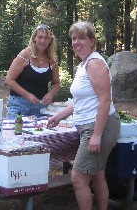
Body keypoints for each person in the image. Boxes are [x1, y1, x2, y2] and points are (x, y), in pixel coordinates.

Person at [48, 21, 120, 210]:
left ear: (92, 41)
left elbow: (105, 100)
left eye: (81, 38)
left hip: (98, 128)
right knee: (97, 175)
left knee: (78, 178)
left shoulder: (95, 63)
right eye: (73, 38)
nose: (76, 42)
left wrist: (96, 135)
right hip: (90, 126)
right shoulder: (84, 64)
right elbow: (79, 101)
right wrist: (59, 116)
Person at [5, 24, 60, 119]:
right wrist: (27, 95)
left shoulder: (52, 60)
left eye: (46, 38)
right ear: (34, 38)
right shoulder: (25, 55)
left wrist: (50, 94)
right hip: (18, 105)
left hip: (41, 107)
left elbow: (56, 83)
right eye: (40, 37)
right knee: (15, 132)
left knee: (41, 134)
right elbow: (9, 80)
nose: (43, 41)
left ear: (50, 40)